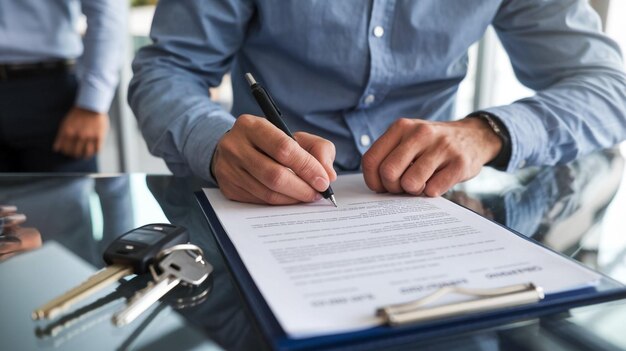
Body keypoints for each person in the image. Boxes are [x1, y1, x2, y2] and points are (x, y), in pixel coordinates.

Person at [129, 0, 626, 205]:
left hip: (434, 205)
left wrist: (484, 133)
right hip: (268, 199)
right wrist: (215, 144)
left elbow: (609, 88)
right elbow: (166, 68)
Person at [0, 0, 127, 172]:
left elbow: (106, 12)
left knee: (64, 196)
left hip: (50, 94)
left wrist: (93, 105)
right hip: (48, 86)